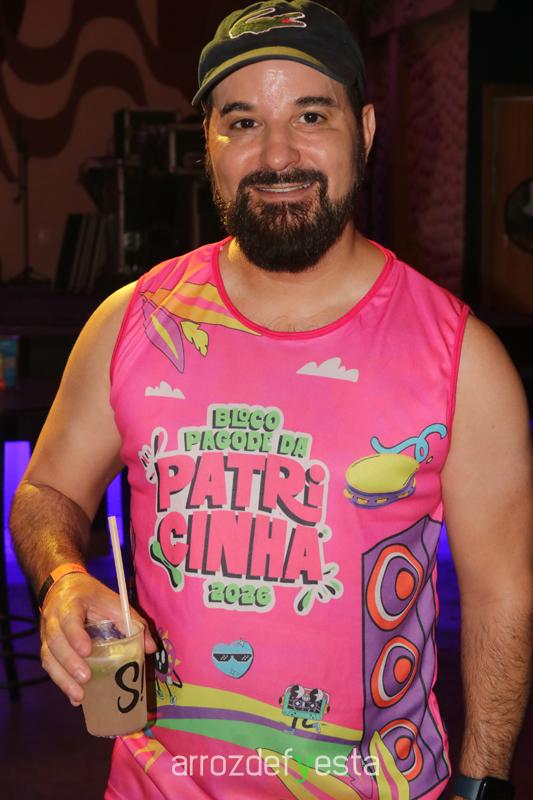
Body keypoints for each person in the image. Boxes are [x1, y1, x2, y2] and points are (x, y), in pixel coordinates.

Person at [10, 2, 532, 799]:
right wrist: (63, 579)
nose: (277, 154)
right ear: (209, 143)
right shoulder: (134, 322)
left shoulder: (461, 359)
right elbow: (47, 490)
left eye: (310, 116)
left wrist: (480, 785)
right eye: (243, 122)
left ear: (363, 131)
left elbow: (501, 599)